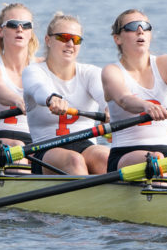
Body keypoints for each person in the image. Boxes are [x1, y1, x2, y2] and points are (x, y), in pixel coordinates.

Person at [101, 9, 167, 171]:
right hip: (126, 153)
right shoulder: (112, 71)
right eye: (131, 26)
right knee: (156, 160)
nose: (140, 30)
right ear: (117, 38)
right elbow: (124, 99)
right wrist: (146, 106)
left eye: (145, 26)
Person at [22, 13, 109, 175]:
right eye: (63, 38)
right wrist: (51, 99)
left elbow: (104, 94)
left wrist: (108, 107)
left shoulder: (90, 73)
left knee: (105, 157)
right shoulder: (33, 71)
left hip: (86, 145)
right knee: (74, 160)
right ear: (48, 40)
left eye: (76, 40)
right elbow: (38, 87)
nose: (70, 44)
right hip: (45, 148)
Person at [0, 3, 41, 158]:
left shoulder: (44, 67)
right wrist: (17, 100)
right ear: (1, 31)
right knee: (17, 148)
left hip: (35, 140)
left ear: (31, 33)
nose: (20, 29)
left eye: (26, 25)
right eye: (13, 25)